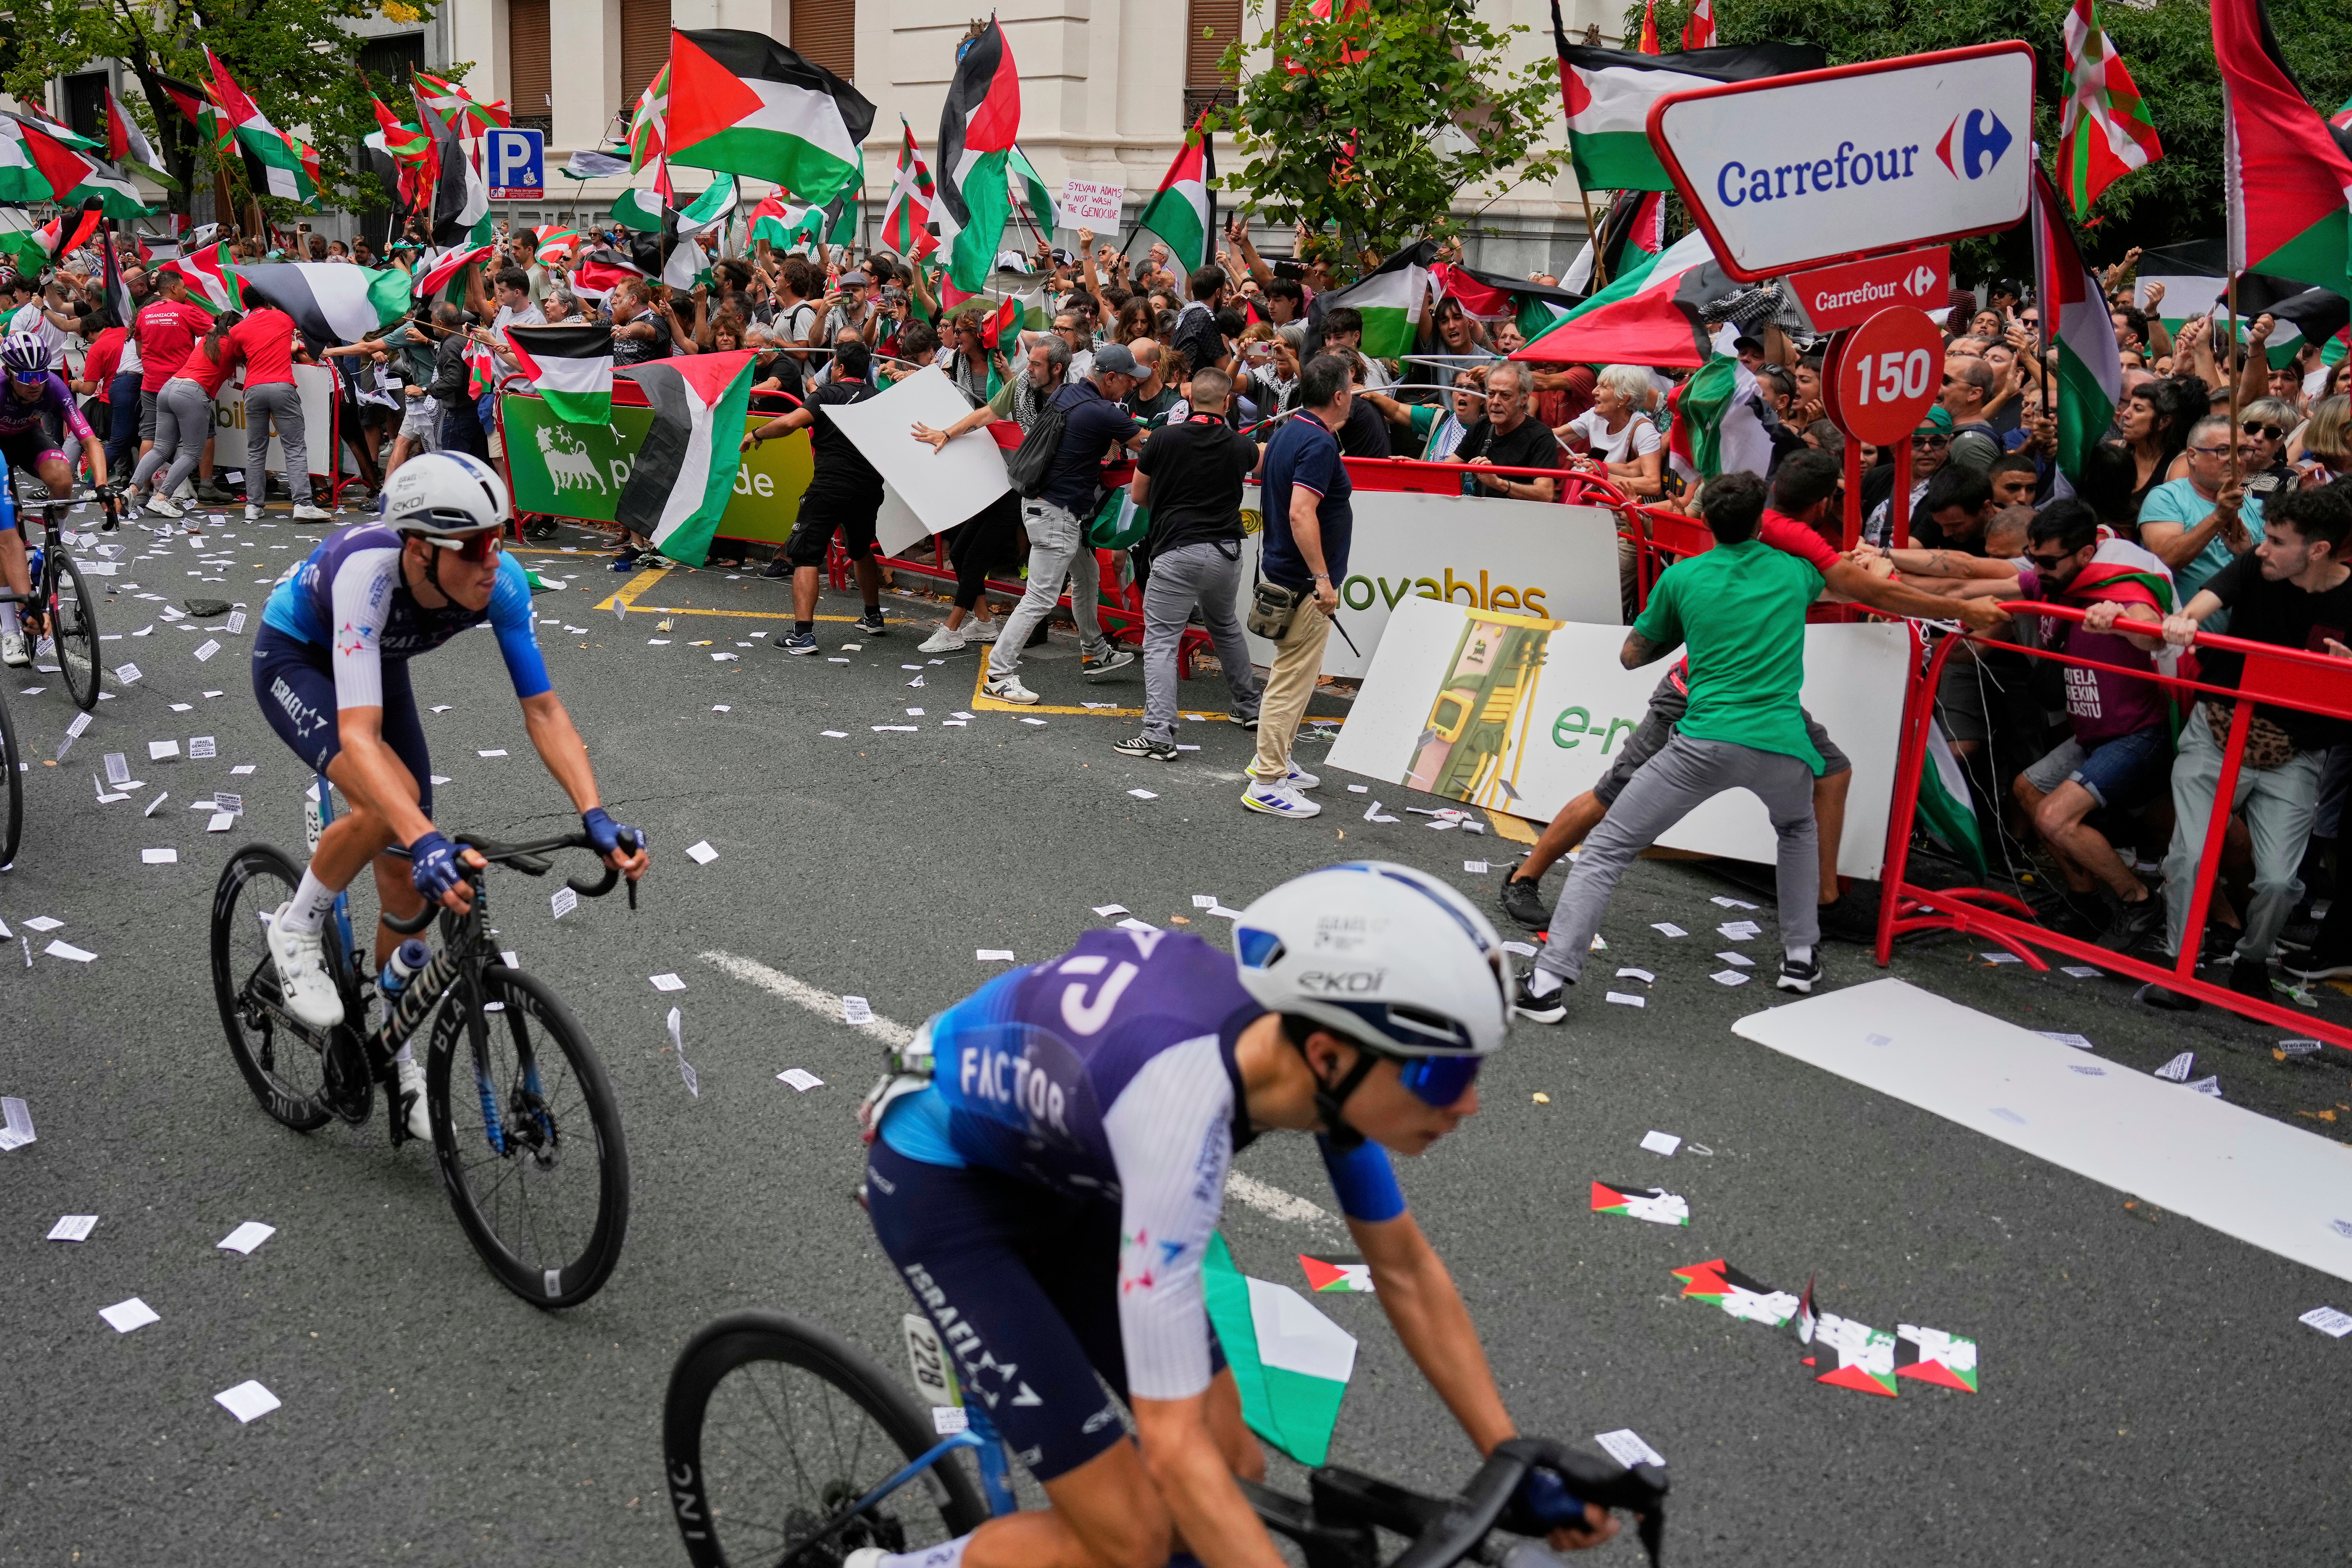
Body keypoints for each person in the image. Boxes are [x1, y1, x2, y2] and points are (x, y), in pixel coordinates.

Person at [848, 862, 1625, 1568]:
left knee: (1233, 1471)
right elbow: (1173, 1449)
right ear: (1328, 1055)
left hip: (1069, 1165)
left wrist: (1508, 1457)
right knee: (1134, 1538)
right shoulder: (1176, 1107)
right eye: (1442, 1074)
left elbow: (1404, 1270)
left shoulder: (1310, 1052)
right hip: (949, 1190)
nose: (1467, 1104)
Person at [252, 452, 648, 1137]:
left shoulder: (502, 583)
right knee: (392, 806)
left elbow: (544, 711)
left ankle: (398, 1060)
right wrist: (424, 835)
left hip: (379, 661)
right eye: (471, 546)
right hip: (298, 656)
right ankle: (297, 924)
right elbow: (359, 735)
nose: (491, 559)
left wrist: (595, 813)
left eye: (496, 538)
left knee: (408, 892)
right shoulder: (367, 574)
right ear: (418, 549)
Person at [1495, 450, 2006, 937]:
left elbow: (1633, 655)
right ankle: (1524, 876)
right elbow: (1871, 589)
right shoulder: (1791, 558)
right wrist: (1960, 608)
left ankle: (1825, 901)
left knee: (1833, 771)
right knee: (1612, 795)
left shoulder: (1735, 566)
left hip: (1763, 700)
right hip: (1698, 696)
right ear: (1785, 514)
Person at [1513, 472, 1831, 1015]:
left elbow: (1632, 655)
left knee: (1607, 849)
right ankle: (1800, 957)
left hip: (1706, 739)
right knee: (1798, 828)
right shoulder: (1795, 572)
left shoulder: (1684, 576)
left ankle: (1546, 985)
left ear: (1703, 520)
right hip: (1782, 742)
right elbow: (1844, 580)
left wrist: (1691, 627)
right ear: (1761, 522)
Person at [2135, 483, 2352, 1009]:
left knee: (2279, 881)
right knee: (2189, 857)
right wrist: (2183, 619)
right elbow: (2204, 602)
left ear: (2318, 550)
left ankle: (2252, 960)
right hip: (2217, 731)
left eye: (2276, 540)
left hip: (2295, 752)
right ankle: (2181, 967)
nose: (2261, 548)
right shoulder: (2255, 568)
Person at [1999, 500, 2174, 951]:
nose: (2038, 569)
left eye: (2047, 561)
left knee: (2055, 817)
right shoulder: (2057, 580)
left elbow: (2150, 631)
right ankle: (2085, 901)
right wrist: (1890, 562)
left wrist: (2120, 620)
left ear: (2084, 554)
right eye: (2033, 558)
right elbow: (1972, 575)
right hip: (2096, 735)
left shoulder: (2123, 583)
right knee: (2028, 790)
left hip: (2140, 733)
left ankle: (2138, 901)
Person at [980, 341, 1149, 705]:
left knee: (1087, 575)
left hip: (1046, 507)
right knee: (1040, 597)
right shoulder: (1102, 411)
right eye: (1129, 379)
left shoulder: (1069, 394)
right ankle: (999, 674)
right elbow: (1147, 445)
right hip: (1056, 515)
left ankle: (1095, 651)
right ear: (1111, 378)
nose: (1133, 385)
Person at [1113, 366, 1262, 761]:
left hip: (1177, 550)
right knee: (1225, 626)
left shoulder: (1164, 438)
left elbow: (1139, 495)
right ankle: (1250, 708)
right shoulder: (1240, 446)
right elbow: (1264, 460)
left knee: (1161, 640)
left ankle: (1158, 734)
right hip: (1227, 551)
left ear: (1190, 399)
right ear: (1227, 403)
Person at [907, 336, 1077, 651]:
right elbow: (987, 414)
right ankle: (985, 622)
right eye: (1029, 361)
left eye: (1036, 364)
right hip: (1012, 480)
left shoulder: (1076, 396)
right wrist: (946, 434)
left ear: (1057, 368)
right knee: (961, 553)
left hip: (1049, 495)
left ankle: (953, 627)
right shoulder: (1023, 384)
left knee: (985, 559)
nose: (1028, 368)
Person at [1244, 352, 1356, 820]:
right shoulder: (1318, 443)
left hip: (1285, 573)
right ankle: (1268, 780)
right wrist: (1323, 579)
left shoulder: (1290, 431)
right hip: (1303, 582)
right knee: (1292, 680)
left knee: (1293, 675)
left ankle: (1279, 762)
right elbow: (1300, 512)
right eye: (1351, 387)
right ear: (1339, 396)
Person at [745, 339, 891, 652]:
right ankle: (873, 616)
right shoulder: (880, 399)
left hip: (829, 487)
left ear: (839, 368)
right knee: (861, 548)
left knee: (805, 555)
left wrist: (756, 433)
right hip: (868, 488)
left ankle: (802, 634)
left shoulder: (826, 394)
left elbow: (790, 423)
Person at [0, 331, 111, 664]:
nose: (36, 384)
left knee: (63, 478)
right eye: (26, 377)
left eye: (40, 374)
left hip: (27, 439)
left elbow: (90, 441)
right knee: (6, 531)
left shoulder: (53, 386)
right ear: (8, 372)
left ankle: (52, 550)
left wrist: (102, 487)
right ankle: (9, 632)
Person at [2139, 414, 2265, 609]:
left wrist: (2247, 555)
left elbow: (2273, 585)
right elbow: (2165, 561)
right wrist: (2218, 518)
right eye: (2223, 451)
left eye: (2242, 451)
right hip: (2183, 626)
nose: (2237, 461)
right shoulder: (2167, 497)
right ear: (2192, 456)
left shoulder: (2257, 508)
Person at [223, 302, 331, 522]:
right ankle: (303, 505)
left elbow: (238, 355)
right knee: (294, 448)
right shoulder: (283, 317)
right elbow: (307, 323)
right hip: (282, 385)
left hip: (253, 389)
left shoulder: (238, 329)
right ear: (267, 301)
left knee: (255, 450)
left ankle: (253, 506)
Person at [128, 268, 216, 508]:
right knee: (206, 434)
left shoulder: (144, 313)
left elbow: (139, 350)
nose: (187, 292)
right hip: (184, 383)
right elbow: (216, 335)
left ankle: (142, 490)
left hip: (152, 383)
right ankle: (207, 485)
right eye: (185, 288)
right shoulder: (186, 311)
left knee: (151, 437)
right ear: (175, 288)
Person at [1442, 362, 1557, 501]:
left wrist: (1498, 483)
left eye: (1505, 395)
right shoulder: (1481, 426)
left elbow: (1546, 494)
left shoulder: (1540, 436)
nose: (1495, 402)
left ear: (1524, 399)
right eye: (1491, 394)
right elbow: (1445, 470)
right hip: (1479, 512)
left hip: (1518, 514)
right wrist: (1417, 468)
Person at [1556, 365, 1662, 500]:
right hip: (1597, 504)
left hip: (1624, 509)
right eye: (1597, 385)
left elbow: (1653, 485)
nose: (1594, 391)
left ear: (1624, 399)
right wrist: (1592, 463)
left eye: (1604, 387)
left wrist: (1602, 477)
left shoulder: (1643, 429)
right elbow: (1556, 437)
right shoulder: (1595, 416)